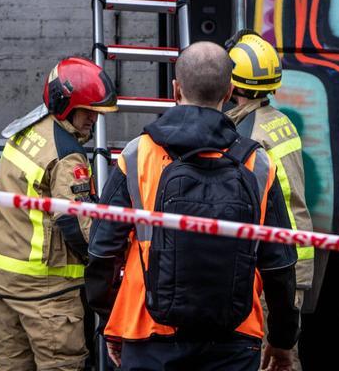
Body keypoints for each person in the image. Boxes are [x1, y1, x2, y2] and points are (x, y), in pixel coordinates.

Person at [84, 41, 300, 371]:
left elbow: (102, 252)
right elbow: (279, 266)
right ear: (229, 91)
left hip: (147, 334)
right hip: (235, 336)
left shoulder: (136, 155)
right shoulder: (257, 164)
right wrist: (283, 340)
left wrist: (111, 322)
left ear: (175, 89)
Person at [0, 56, 118, 371]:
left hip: (3, 285)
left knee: (11, 365)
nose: (93, 120)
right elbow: (75, 224)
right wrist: (102, 262)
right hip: (46, 293)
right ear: (66, 105)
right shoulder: (68, 155)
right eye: (88, 111)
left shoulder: (25, 132)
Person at [224, 30, 314, 371]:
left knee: (270, 360)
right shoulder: (278, 121)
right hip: (292, 259)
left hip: (272, 264)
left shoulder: (248, 135)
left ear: (232, 85)